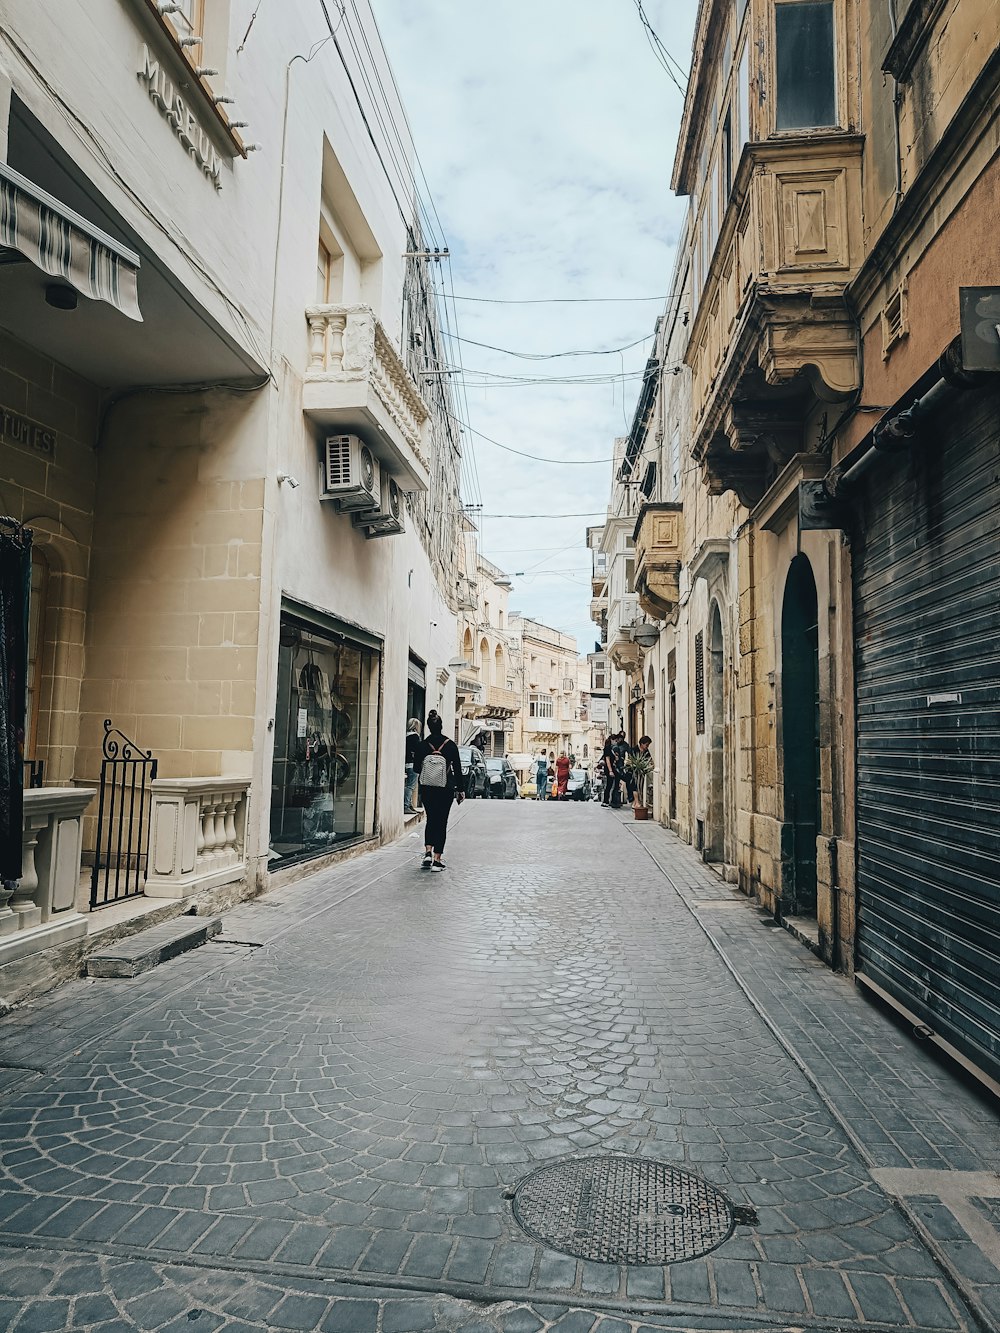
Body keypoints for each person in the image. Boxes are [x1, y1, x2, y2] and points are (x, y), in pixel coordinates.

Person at [416, 711, 464, 871]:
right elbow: (458, 768)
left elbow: (416, 768)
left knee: (431, 819)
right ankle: (437, 859)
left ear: (428, 727)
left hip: (427, 789)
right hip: (445, 789)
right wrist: (461, 790)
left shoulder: (422, 745)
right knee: (441, 821)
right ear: (441, 726)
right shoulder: (450, 745)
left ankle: (427, 852)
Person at [404, 718, 422, 814]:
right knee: (411, 786)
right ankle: (406, 805)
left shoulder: (406, 736)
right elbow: (418, 751)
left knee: (409, 785)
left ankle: (409, 805)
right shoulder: (415, 737)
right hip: (412, 764)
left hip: (406, 763)